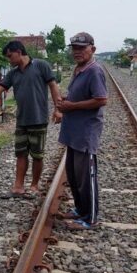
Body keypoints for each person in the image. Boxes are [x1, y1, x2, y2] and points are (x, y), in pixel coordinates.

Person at [0, 41, 62, 199]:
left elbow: (53, 86)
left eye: (10, 56)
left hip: (38, 119)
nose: (9, 59)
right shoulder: (13, 74)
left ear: (19, 52)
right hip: (22, 120)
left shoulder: (41, 65)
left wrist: (58, 109)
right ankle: (18, 187)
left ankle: (34, 186)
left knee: (37, 155)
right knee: (20, 154)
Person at [57, 32, 108, 230]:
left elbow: (101, 99)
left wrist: (72, 106)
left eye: (82, 48)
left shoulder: (94, 71)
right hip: (73, 133)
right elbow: (79, 96)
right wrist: (66, 100)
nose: (77, 52)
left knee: (86, 178)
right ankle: (80, 209)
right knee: (74, 175)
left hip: (85, 133)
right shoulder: (79, 69)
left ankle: (91, 218)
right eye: (74, 48)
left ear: (92, 49)